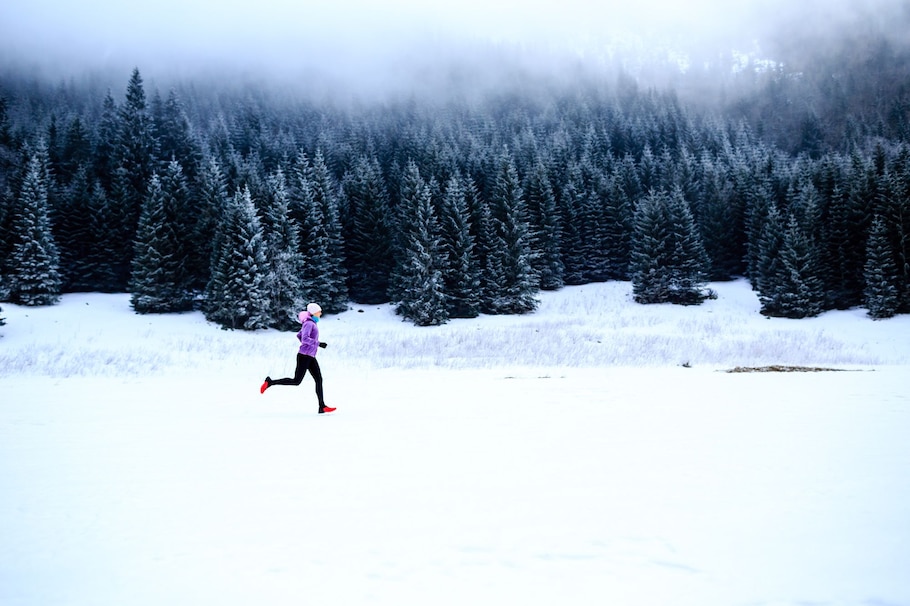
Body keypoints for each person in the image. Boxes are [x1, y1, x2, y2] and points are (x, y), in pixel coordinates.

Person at [260, 303, 336, 414]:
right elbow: (304, 338)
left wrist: (312, 345)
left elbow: (299, 336)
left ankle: (322, 406)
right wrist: (318, 344)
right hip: (304, 356)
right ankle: (270, 382)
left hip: (310, 356)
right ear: (314, 312)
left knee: (319, 379)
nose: (321, 313)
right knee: (296, 381)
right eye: (319, 311)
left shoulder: (310, 323)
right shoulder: (309, 324)